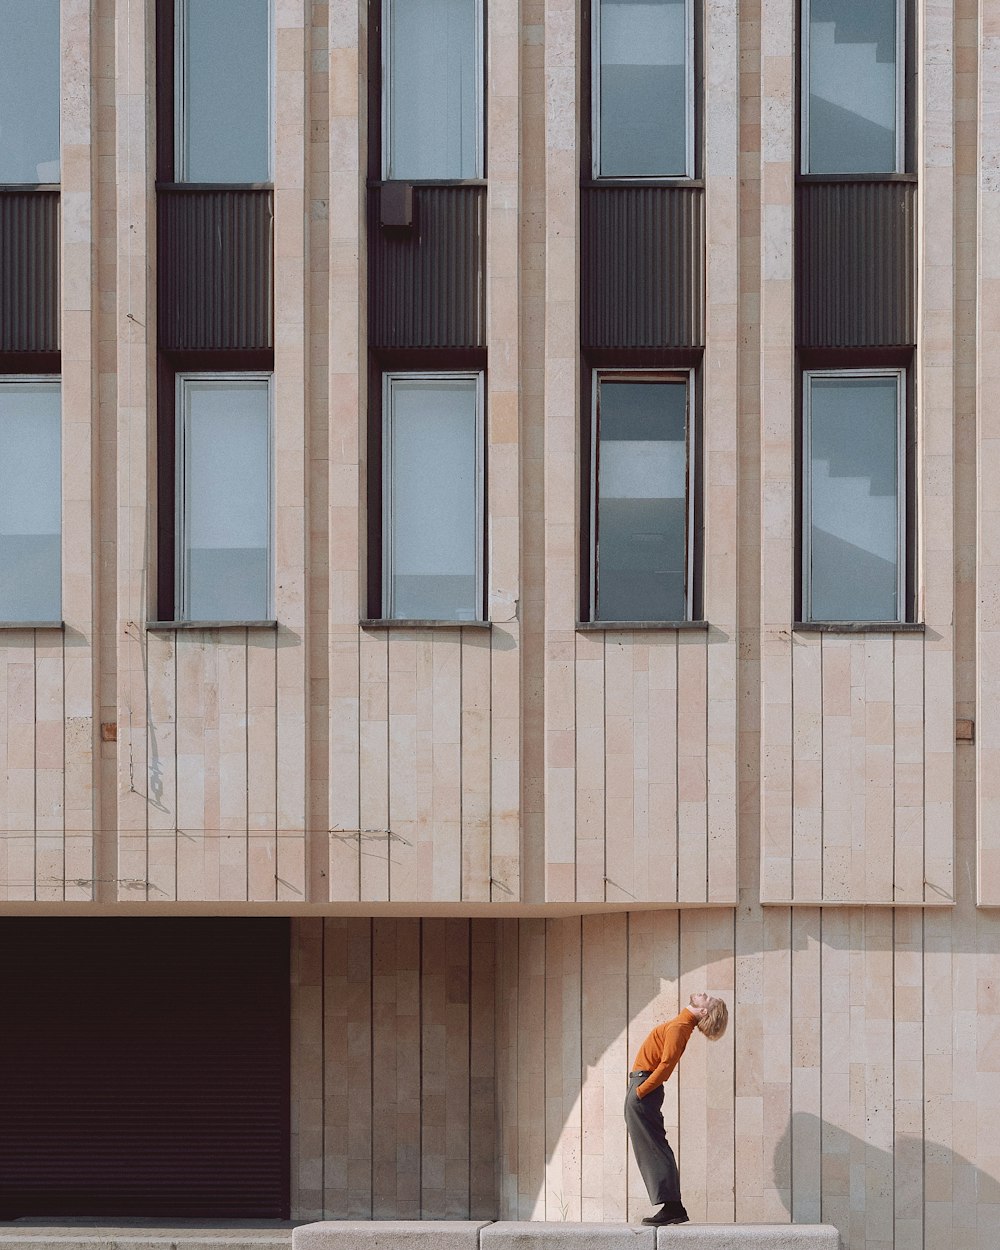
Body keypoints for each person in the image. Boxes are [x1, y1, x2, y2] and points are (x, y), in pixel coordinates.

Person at [624, 991, 729, 1226]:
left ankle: (672, 1206)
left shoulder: (679, 1027)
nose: (704, 994)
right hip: (642, 1085)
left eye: (708, 999)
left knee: (654, 1147)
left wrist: (640, 1092)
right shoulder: (680, 1024)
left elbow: (666, 1067)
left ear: (704, 1011)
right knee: (652, 1146)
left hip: (644, 1087)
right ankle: (673, 1206)